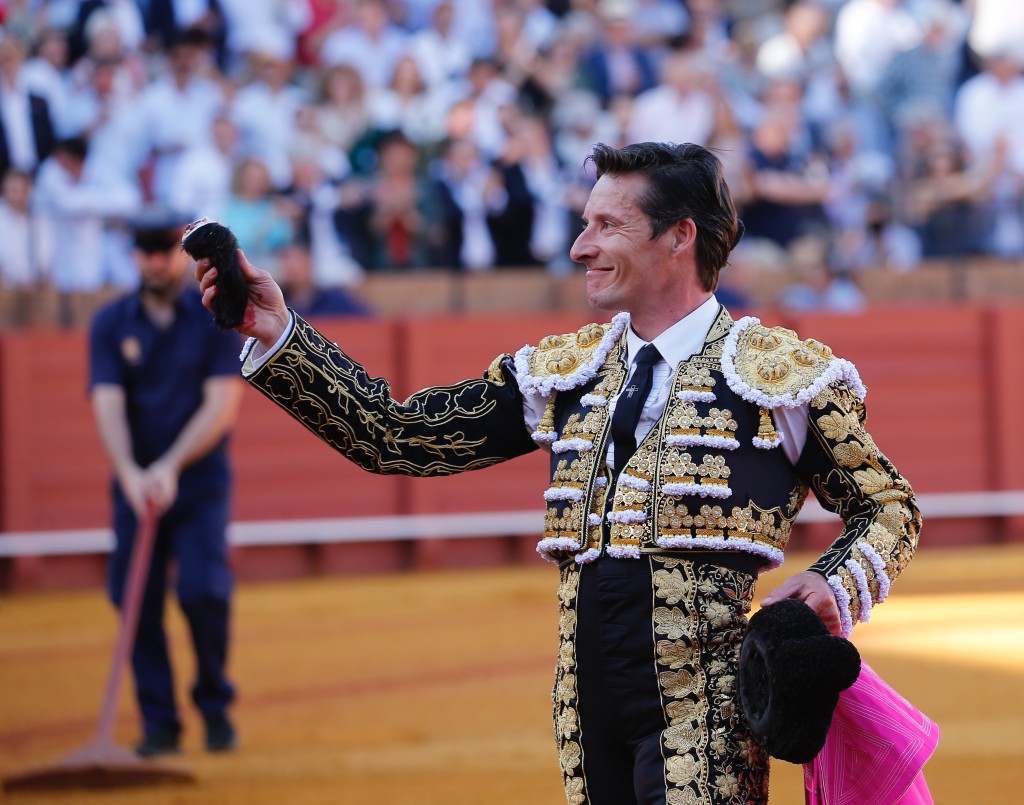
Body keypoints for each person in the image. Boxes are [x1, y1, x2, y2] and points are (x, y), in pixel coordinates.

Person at [196, 142, 921, 804]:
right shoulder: (565, 372)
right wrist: (281, 334)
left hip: (708, 710)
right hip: (584, 713)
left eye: (607, 225)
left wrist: (830, 581)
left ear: (679, 236)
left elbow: (888, 506)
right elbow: (399, 435)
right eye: (584, 224)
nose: (581, 246)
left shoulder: (776, 376)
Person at [89, 209, 244, 757]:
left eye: (164, 252)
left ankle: (214, 703)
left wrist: (170, 466)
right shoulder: (110, 324)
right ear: (135, 256)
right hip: (136, 485)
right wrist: (131, 473)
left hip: (198, 480)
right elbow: (106, 404)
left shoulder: (215, 317)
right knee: (133, 600)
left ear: (178, 258)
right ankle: (159, 722)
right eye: (146, 252)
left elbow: (221, 406)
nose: (155, 262)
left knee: (203, 591)